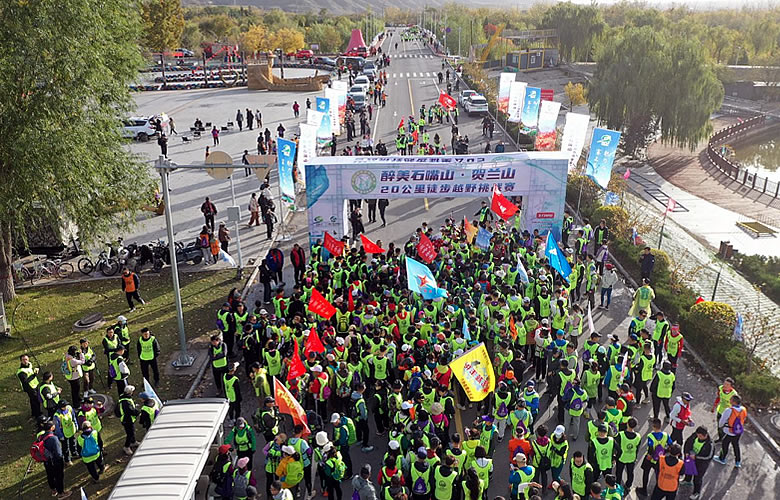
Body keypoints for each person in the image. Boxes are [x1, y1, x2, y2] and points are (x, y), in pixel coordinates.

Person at [713, 394, 747, 468]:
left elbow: (722, 421)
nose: (730, 400)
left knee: (725, 444)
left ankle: (722, 458)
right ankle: (737, 461)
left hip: (729, 431)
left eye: (731, 399)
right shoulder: (743, 409)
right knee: (736, 445)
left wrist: (720, 426)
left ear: (733, 402)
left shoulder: (729, 410)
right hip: (738, 431)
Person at [40, 419, 71, 498]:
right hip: (55, 461)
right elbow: (58, 453)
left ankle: (53, 490)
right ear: (51, 428)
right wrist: (62, 459)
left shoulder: (41, 436)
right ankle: (61, 493)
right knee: (58, 476)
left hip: (46, 460)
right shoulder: (54, 438)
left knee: (50, 475)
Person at [711, 377, 739, 442]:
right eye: (724, 383)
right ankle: (720, 438)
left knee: (725, 427)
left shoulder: (734, 394)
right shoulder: (720, 388)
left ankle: (724, 439)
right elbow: (718, 397)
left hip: (728, 413)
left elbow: (736, 406)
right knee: (719, 425)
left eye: (727, 385)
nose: (725, 386)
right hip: (720, 410)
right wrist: (714, 406)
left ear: (731, 387)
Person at [53, 400, 78, 465]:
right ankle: (67, 460)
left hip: (71, 430)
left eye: (65, 405)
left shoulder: (69, 408)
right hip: (64, 433)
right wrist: (60, 436)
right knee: (65, 447)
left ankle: (74, 453)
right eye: (63, 406)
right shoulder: (57, 415)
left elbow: (73, 417)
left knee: (73, 442)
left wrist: (76, 425)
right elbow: (57, 427)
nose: (65, 407)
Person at [118, 384, 139, 455]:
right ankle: (126, 447)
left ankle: (133, 442)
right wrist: (137, 412)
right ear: (130, 392)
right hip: (127, 420)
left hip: (128, 419)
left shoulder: (125, 398)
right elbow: (130, 411)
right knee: (130, 433)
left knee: (132, 431)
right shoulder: (126, 402)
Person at [18, 354, 41, 418]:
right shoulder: (21, 372)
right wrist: (34, 375)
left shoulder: (29, 365)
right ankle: (38, 414)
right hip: (29, 388)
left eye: (26, 359)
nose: (25, 361)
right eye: (23, 360)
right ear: (21, 361)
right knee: (35, 401)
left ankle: (34, 413)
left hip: (35, 385)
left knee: (34, 400)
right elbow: (25, 381)